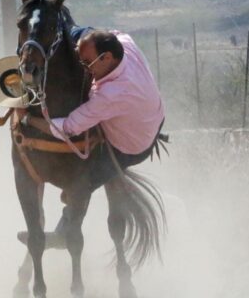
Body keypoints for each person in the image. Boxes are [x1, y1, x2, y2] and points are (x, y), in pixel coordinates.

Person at [17, 29, 165, 248]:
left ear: (106, 58)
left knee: (79, 185)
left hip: (130, 147)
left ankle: (63, 235)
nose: (83, 68)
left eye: (87, 62)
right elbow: (108, 31)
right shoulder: (125, 43)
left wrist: (28, 120)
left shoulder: (111, 95)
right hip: (153, 118)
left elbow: (68, 127)